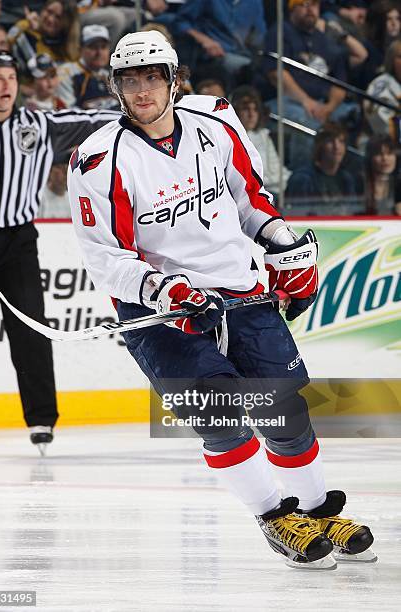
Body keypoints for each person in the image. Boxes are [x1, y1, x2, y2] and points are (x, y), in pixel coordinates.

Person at [67, 30, 376, 569]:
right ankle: (277, 517)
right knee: (221, 417)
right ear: (117, 88)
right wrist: (166, 289)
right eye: (130, 81)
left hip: (239, 290)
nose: (141, 92)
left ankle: (317, 510)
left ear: (173, 79)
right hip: (160, 313)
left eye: (151, 78)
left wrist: (286, 246)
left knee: (285, 410)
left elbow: (251, 201)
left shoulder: (215, 121)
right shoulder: (100, 158)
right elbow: (108, 259)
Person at [0, 50, 119, 452]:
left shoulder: (38, 125)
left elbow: (92, 122)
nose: (6, 85)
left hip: (19, 241)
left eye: (11, 78)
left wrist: (143, 110)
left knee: (31, 331)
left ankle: (41, 419)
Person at [262, 0, 357, 169]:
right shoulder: (280, 32)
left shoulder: (325, 40)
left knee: (353, 113)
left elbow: (339, 82)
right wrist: (306, 101)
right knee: (307, 121)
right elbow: (276, 73)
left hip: (322, 103)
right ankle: (303, 178)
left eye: (313, 4)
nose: (310, 9)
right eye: (303, 4)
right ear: (291, 9)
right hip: (285, 101)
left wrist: (329, 107)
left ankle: (345, 176)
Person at [285, 121, 360, 214]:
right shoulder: (303, 178)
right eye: (330, 141)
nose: (337, 147)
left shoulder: (346, 178)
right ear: (320, 146)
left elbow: (353, 214)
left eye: (341, 141)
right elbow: (298, 217)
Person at [232, 86, 291, 198]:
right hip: (253, 195)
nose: (251, 114)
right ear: (235, 112)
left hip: (276, 190)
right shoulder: (231, 138)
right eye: (246, 109)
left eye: (255, 109)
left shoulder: (264, 134)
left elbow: (276, 169)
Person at [8, 0, 80, 79]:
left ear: (67, 23)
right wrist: (32, 32)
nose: (50, 19)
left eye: (58, 17)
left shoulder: (72, 52)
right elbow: (5, 43)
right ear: (42, 9)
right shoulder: (24, 27)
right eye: (49, 12)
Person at [56, 24, 119, 111]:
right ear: (80, 49)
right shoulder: (66, 72)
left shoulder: (110, 75)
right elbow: (67, 112)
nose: (99, 52)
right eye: (93, 47)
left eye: (103, 47)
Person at [365, 39, 401, 140]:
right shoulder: (381, 85)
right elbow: (379, 122)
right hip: (388, 146)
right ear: (391, 60)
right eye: (400, 57)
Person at [364, 134, 401, 215]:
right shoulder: (360, 185)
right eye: (379, 154)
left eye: (390, 153)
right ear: (370, 158)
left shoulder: (398, 184)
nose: (385, 158)